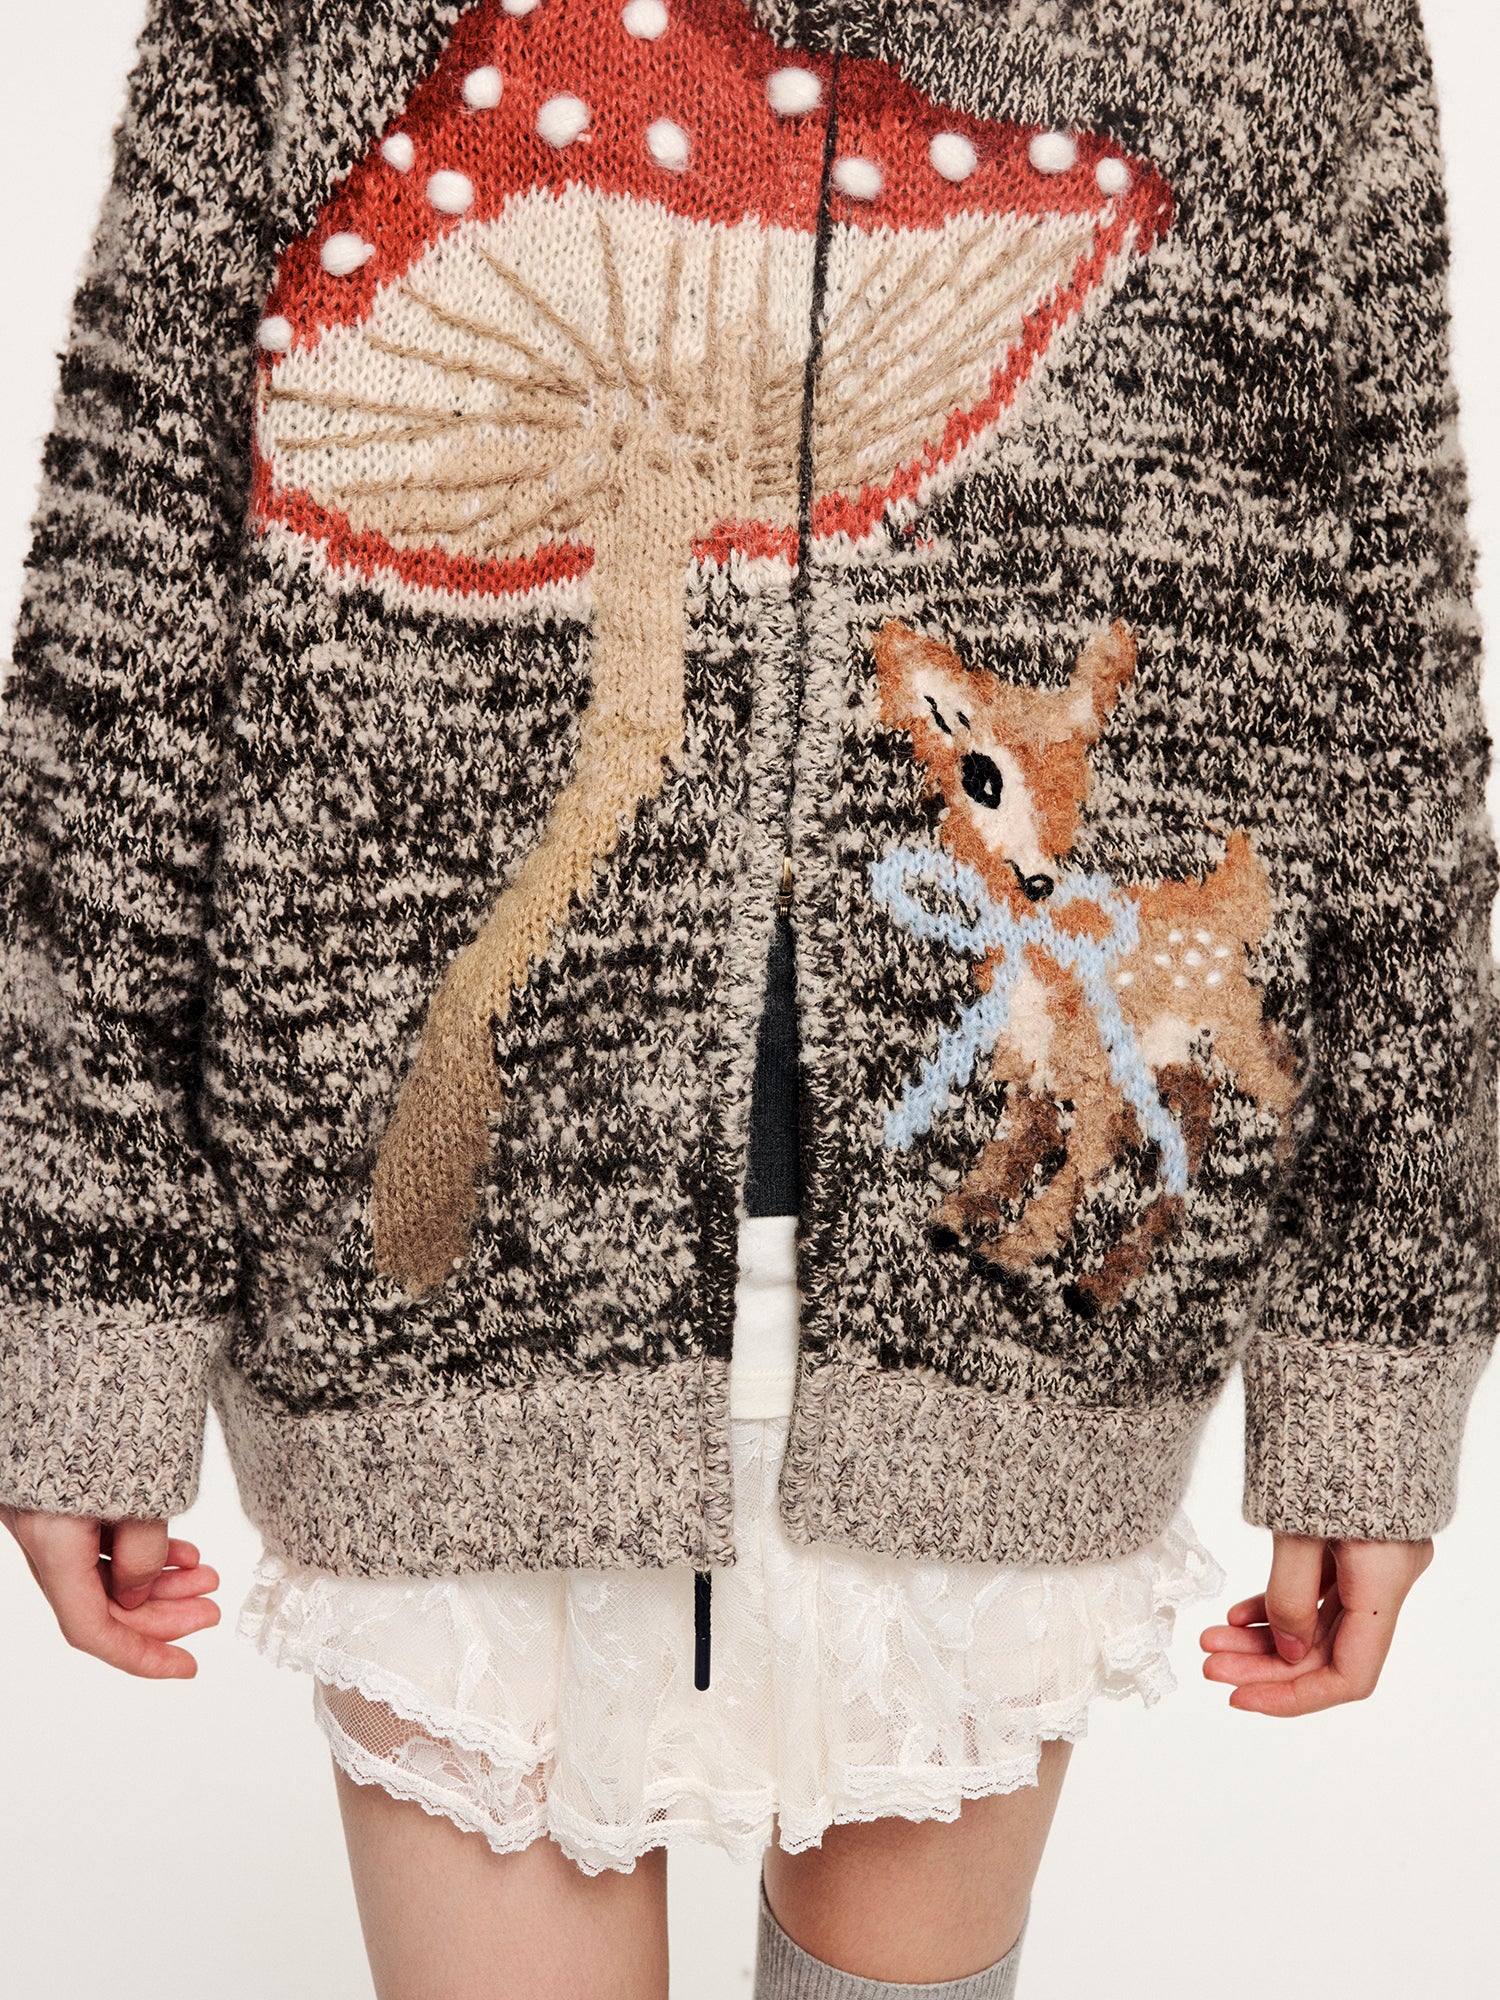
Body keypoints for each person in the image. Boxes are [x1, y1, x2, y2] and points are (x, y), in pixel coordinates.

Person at [1, 3, 1491, 1996]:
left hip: (1012, 1295)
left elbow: (1388, 685)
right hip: (430, 1291)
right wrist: (80, 1304)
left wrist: (1375, 1360)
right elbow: (121, 651)